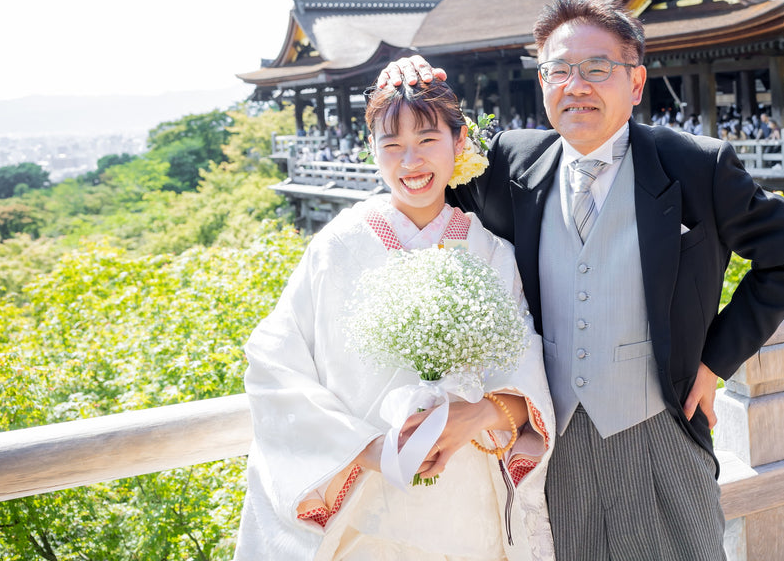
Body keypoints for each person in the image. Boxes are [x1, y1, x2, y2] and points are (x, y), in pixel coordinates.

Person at [379, 0, 784, 561]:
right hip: (548, 436)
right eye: (558, 70)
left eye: (597, 68)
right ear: (542, 83)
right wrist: (411, 84)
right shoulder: (512, 162)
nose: (576, 85)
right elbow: (421, 170)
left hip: (658, 426)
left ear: (635, 84)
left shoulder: (695, 163)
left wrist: (715, 362)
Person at [235, 80, 555, 561]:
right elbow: (275, 362)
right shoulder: (338, 246)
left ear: (459, 142)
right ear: (372, 150)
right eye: (392, 145)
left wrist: (477, 416)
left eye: (428, 140)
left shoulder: (491, 252)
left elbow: (525, 361)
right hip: (365, 493)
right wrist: (365, 449)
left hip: (467, 499)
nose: (411, 162)